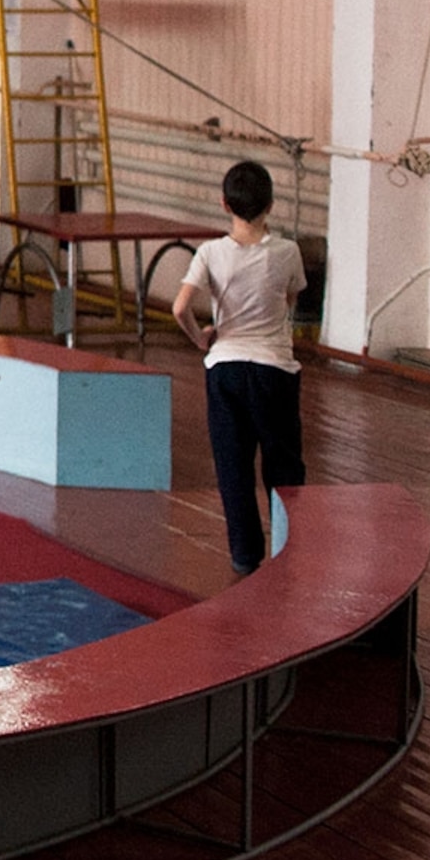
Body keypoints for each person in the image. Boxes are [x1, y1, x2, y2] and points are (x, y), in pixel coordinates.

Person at [171, 160, 308, 577]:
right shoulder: (287, 251)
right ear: (271, 204)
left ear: (224, 203)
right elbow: (290, 301)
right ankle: (289, 550)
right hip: (274, 370)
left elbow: (180, 307)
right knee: (283, 467)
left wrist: (201, 338)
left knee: (233, 466)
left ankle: (245, 559)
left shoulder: (210, 253)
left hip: (225, 366)